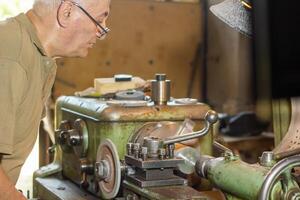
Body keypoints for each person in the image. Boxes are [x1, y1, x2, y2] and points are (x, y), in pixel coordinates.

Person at [0, 0, 110, 199]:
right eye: (99, 20)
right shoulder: (11, 56)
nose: (100, 33)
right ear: (66, 11)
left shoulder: (38, 57)